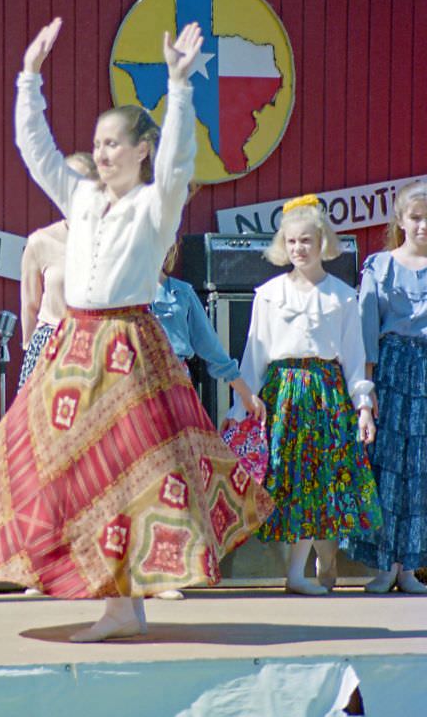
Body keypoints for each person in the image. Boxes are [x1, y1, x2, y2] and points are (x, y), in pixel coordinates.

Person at [0, 18, 273, 642]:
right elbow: (37, 152)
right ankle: (124, 606)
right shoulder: (82, 199)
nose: (103, 153)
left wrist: (179, 83)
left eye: (115, 143)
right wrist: (29, 78)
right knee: (50, 470)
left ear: (142, 149)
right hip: (74, 351)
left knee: (126, 473)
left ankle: (119, 607)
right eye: (98, 143)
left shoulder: (154, 204)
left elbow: (178, 162)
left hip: (126, 348)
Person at [228, 194, 382, 595]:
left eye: (307, 241)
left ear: (322, 243)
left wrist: (362, 405)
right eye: (292, 241)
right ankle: (296, 573)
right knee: (295, 480)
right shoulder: (269, 294)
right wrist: (241, 402)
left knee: (327, 481)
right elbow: (255, 352)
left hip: (327, 396)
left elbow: (352, 358)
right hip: (284, 396)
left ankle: (326, 559)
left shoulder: (342, 297)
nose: (299, 249)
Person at [151, 240, 267, 600]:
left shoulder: (180, 293)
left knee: (176, 479)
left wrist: (244, 391)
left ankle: (166, 571)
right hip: (131, 389)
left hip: (175, 390)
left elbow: (211, 347)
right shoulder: (119, 294)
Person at [344, 179, 427, 594]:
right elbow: (365, 330)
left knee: (420, 472)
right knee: (387, 468)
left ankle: (410, 568)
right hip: (392, 370)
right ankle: (383, 567)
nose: (423, 226)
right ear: (401, 220)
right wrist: (366, 390)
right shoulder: (380, 266)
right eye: (416, 217)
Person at [18, 153, 97, 389]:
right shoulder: (40, 242)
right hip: (51, 349)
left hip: (99, 350)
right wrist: (34, 351)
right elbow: (30, 308)